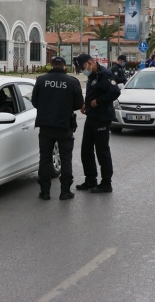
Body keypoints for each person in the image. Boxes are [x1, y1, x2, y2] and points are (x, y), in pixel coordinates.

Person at [32, 56, 84, 201]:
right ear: (64, 66)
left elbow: (35, 102)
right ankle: (65, 192)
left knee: (45, 158)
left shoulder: (41, 80)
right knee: (66, 159)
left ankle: (45, 192)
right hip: (64, 126)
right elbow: (79, 104)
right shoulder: (72, 81)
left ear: (51, 65)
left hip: (46, 126)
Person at [73, 54, 120, 193]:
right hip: (91, 116)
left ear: (89, 63)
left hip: (102, 117)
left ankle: (106, 183)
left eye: (83, 68)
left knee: (102, 151)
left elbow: (115, 92)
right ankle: (90, 180)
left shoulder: (105, 74)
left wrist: (98, 101)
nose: (83, 71)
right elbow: (93, 92)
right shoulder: (93, 75)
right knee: (86, 150)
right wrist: (85, 104)